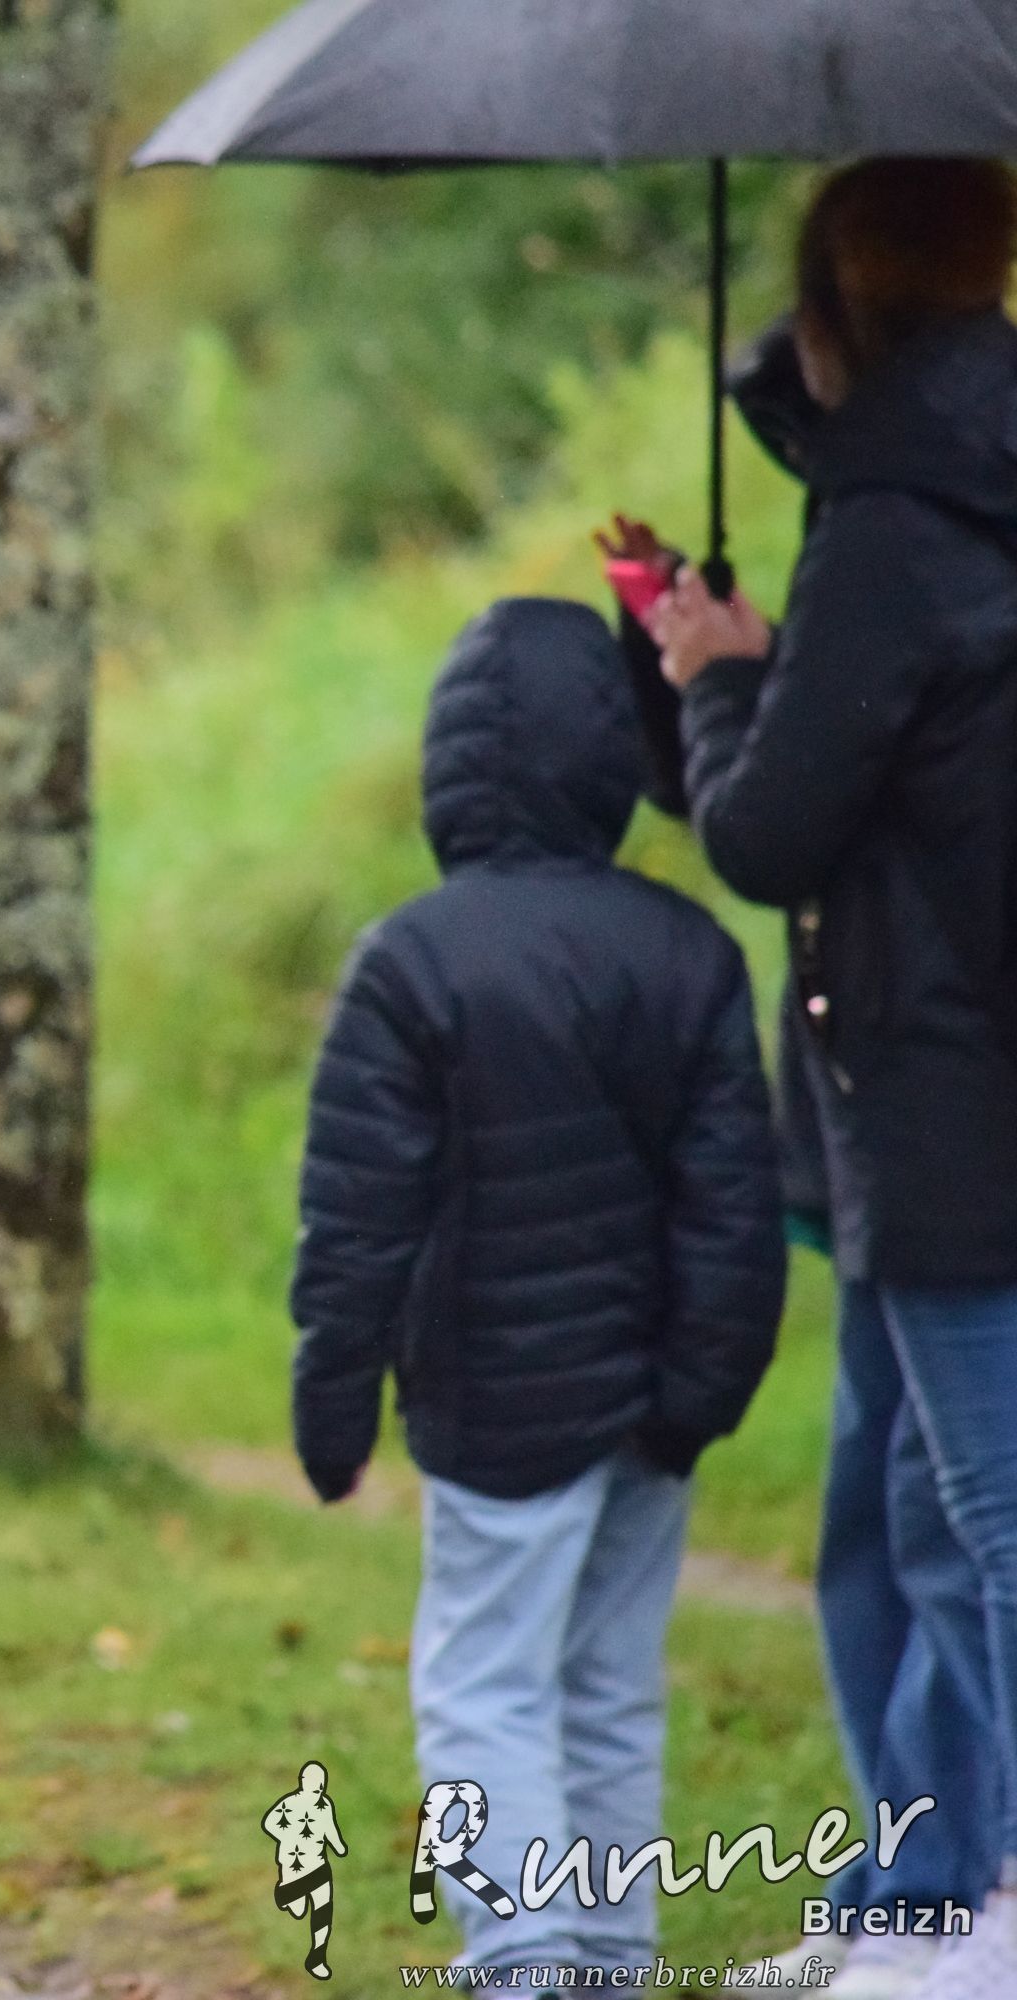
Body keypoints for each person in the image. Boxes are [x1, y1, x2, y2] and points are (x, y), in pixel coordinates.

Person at [290, 599, 787, 1982]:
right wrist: (702, 1389)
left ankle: (523, 1958)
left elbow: (357, 1220)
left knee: (484, 1685)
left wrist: (334, 1402)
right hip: (649, 1406)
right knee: (612, 1686)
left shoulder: (413, 962)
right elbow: (732, 1210)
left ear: (449, 768)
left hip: (494, 1401)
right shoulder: (690, 951)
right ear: (616, 761)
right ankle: (608, 1955)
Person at [654, 158, 1017, 2000]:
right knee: (893, 1511)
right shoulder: (963, 487)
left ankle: (973, 1903)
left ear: (832, 312)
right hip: (927, 1088)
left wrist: (721, 681)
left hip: (943, 1104)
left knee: (980, 1523)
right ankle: (919, 1895)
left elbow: (768, 831)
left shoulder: (888, 527)